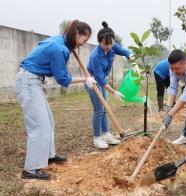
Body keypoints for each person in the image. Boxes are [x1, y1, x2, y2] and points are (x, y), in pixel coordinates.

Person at [14, 20, 96, 180]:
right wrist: (85, 79)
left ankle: (48, 155)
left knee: (49, 122)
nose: (83, 45)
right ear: (77, 34)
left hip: (32, 81)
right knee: (39, 126)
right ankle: (30, 169)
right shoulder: (60, 49)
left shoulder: (59, 41)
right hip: (29, 82)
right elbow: (62, 79)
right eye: (84, 41)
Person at [85, 21, 134, 149]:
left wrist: (131, 56)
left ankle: (106, 134)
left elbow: (124, 51)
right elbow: (100, 80)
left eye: (110, 43)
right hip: (93, 81)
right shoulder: (95, 56)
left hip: (101, 80)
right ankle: (97, 137)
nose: (108, 46)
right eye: (105, 44)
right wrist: (114, 91)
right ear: (99, 42)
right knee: (99, 109)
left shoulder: (112, 46)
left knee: (105, 108)